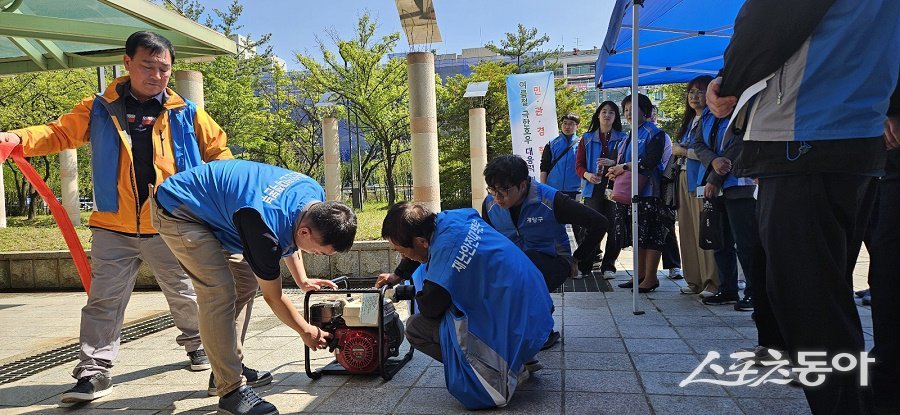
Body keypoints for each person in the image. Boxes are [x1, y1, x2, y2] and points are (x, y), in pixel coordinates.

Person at [0, 31, 239, 403]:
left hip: (172, 222)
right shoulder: (99, 107)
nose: (157, 75)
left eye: (164, 69)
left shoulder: (186, 112)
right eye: (148, 66)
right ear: (127, 63)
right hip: (113, 224)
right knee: (104, 301)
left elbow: (220, 154)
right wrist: (18, 137)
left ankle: (199, 347)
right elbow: (60, 132)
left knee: (186, 294)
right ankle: (94, 371)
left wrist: (222, 203)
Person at [706, 0, 899, 412]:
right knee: (828, 297)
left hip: (803, 128)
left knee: (809, 306)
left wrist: (730, 80)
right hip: (859, 136)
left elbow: (768, 16)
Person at [152, 159, 356, 415]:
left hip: (223, 207)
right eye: (320, 251)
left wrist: (302, 280)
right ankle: (230, 390)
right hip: (181, 208)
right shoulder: (264, 233)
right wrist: (305, 330)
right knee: (218, 294)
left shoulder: (313, 194)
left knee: (245, 283)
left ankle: (226, 365)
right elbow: (274, 297)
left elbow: (288, 233)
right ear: (306, 232)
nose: (317, 255)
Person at [377, 202, 552, 410]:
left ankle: (495, 372)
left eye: (402, 251)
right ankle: (524, 356)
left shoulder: (445, 254)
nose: (403, 256)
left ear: (421, 241)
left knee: (416, 328)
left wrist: (419, 292)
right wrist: (399, 275)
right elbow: (423, 249)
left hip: (516, 324)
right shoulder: (453, 220)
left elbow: (430, 307)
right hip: (537, 312)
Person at [482, 154, 607, 349]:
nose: (497, 197)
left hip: (553, 261)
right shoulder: (489, 204)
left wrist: (578, 260)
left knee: (525, 270)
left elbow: (600, 223)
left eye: (504, 190)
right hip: (514, 262)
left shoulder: (550, 199)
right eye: (492, 189)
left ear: (523, 185)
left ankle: (543, 329)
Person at [691, 107, 758, 311]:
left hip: (740, 184)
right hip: (714, 186)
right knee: (721, 240)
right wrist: (713, 160)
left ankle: (755, 293)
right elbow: (698, 143)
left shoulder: (743, 110)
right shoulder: (707, 116)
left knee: (746, 242)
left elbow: (738, 145)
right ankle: (727, 289)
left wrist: (715, 177)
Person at [607, 94, 673, 293]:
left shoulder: (655, 133)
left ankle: (651, 277)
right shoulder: (629, 135)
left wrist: (623, 167)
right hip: (632, 192)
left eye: (633, 109)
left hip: (650, 192)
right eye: (626, 110)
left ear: (645, 110)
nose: (628, 114)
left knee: (652, 234)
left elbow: (651, 161)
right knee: (638, 234)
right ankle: (640, 275)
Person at [670, 75, 719, 296]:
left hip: (703, 180)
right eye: (691, 92)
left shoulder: (713, 118)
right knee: (687, 230)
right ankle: (694, 280)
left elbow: (712, 153)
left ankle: (712, 282)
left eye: (700, 92)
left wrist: (683, 151)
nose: (695, 96)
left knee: (705, 230)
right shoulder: (690, 120)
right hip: (683, 178)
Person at [576, 102, 627, 279]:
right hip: (593, 187)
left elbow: (628, 161)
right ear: (597, 115)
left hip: (616, 187)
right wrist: (587, 175)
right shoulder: (587, 138)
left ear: (616, 117)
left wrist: (614, 164)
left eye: (611, 113)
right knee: (591, 226)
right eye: (604, 112)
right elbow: (579, 165)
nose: (607, 115)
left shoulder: (623, 138)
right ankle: (585, 265)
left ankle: (609, 266)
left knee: (614, 226)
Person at [540, 113, 582, 199]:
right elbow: (544, 166)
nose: (567, 126)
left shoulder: (582, 144)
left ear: (577, 126)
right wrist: (543, 187)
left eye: (571, 124)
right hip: (553, 189)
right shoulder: (551, 144)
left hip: (574, 190)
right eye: (565, 123)